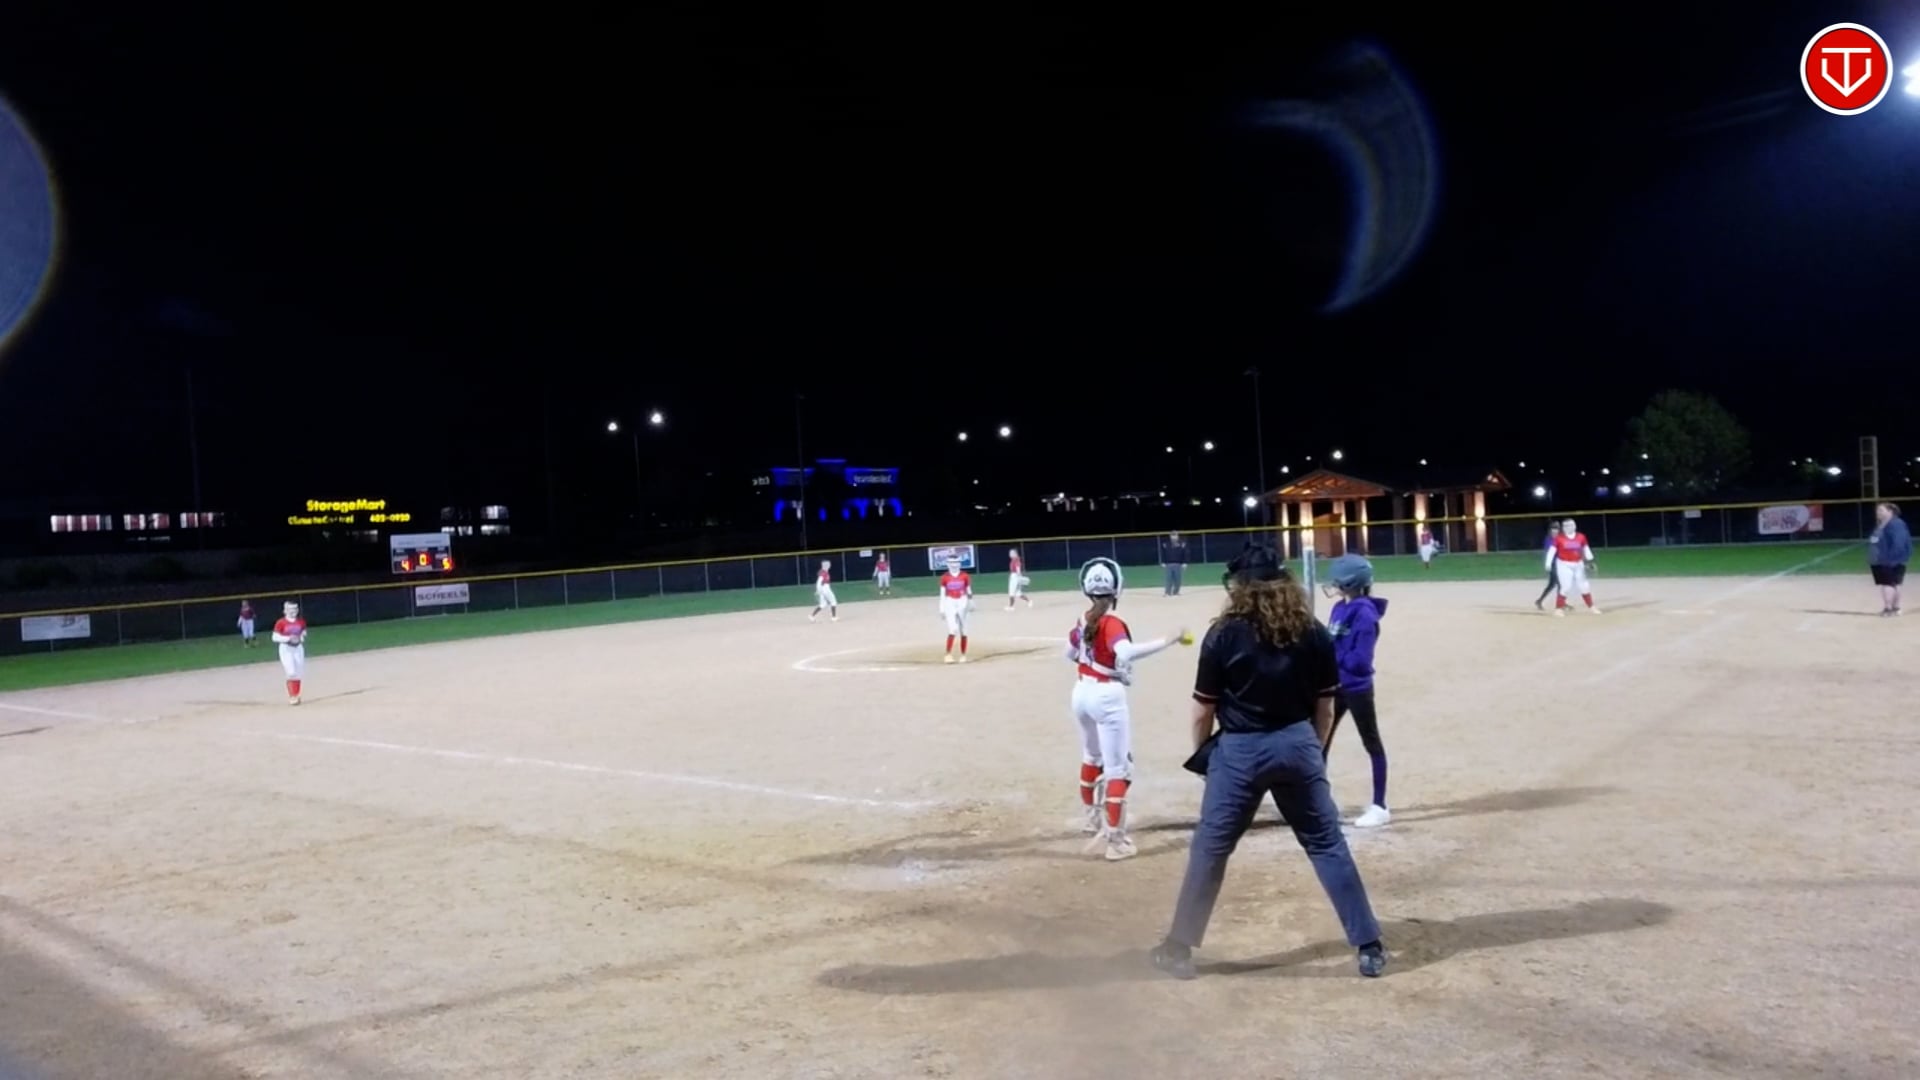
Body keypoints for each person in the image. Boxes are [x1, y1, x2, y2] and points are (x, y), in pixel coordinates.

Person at [1151, 543, 1386, 981]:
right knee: (1326, 844)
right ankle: (1368, 945)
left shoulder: (1223, 634)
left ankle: (1178, 948)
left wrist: (1205, 755)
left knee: (1211, 847)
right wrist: (1312, 750)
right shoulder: (1313, 631)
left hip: (1240, 749)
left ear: (1242, 586)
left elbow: (1203, 710)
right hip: (1298, 742)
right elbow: (1325, 708)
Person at [1063, 557, 1189, 861]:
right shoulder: (1111, 623)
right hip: (1106, 696)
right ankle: (1116, 842)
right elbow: (1126, 652)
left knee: (1091, 756)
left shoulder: (1083, 619)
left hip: (1081, 692)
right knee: (1118, 768)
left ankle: (1091, 819)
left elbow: (1070, 653)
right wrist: (1168, 640)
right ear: (1116, 588)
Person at [1323, 555, 1390, 828]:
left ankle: (1379, 806)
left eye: (1338, 581)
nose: (1333, 584)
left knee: (1371, 742)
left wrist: (1332, 658)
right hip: (1334, 685)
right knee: (1319, 742)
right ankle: (1317, 801)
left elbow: (1360, 661)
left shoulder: (1364, 614)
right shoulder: (1339, 608)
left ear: (1350, 582)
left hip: (1356, 687)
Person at [1547, 518, 1600, 616]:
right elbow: (1551, 551)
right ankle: (1558, 609)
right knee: (1566, 587)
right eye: (1566, 526)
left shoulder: (1581, 537)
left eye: (1571, 525)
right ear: (1563, 528)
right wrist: (1548, 563)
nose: (1569, 527)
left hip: (1578, 563)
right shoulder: (1559, 538)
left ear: (1575, 526)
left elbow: (1586, 549)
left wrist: (1591, 561)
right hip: (1564, 564)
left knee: (1584, 586)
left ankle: (1592, 607)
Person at [1869, 502, 1911, 616]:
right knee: (1894, 583)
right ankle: (1895, 608)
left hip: (1889, 559)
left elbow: (1899, 542)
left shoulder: (1895, 524)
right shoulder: (1882, 524)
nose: (1878, 513)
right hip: (1883, 559)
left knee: (1887, 583)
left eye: (1881, 510)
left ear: (1890, 512)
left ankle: (1888, 609)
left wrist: (1891, 559)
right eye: (1877, 510)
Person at [937, 556, 974, 663]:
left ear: (959, 564)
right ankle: (948, 654)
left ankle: (963, 655)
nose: (954, 565)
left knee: (964, 630)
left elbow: (968, 590)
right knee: (953, 629)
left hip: (963, 601)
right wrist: (941, 608)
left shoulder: (965, 576)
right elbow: (942, 594)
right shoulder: (944, 577)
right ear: (948, 564)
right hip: (950, 602)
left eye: (956, 562)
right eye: (952, 562)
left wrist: (971, 602)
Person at [271, 601, 307, 705]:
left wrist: (301, 637)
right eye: (290, 609)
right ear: (285, 610)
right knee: (291, 672)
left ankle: (296, 694)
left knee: (298, 672)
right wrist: (288, 638)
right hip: (286, 648)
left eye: (295, 609)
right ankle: (292, 696)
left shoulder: (301, 621)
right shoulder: (281, 622)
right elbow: (274, 637)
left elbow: (303, 632)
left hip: (298, 648)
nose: (293, 611)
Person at [1533, 521, 1561, 610]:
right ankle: (1561, 603)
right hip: (1552, 564)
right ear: (1550, 530)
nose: (1554, 531)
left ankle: (1539, 601)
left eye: (1556, 529)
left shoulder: (1560, 538)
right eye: (1553, 529)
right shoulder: (1548, 539)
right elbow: (1549, 552)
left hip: (1560, 564)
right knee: (1560, 583)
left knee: (1552, 584)